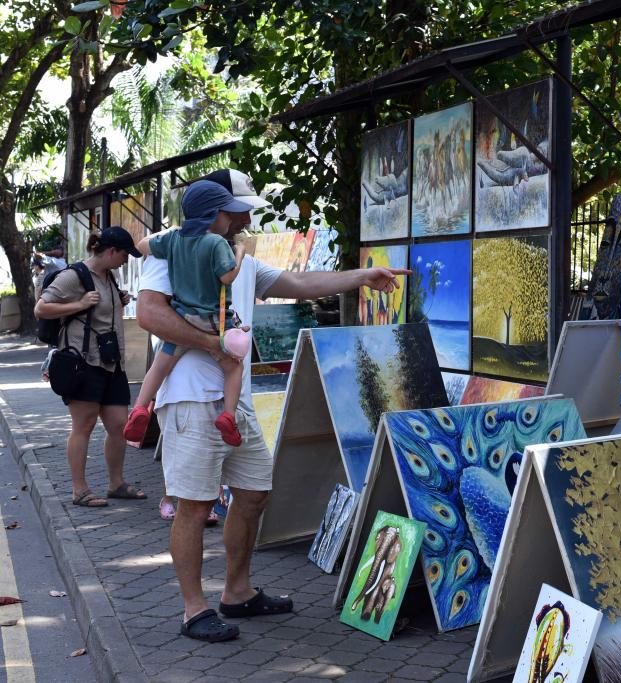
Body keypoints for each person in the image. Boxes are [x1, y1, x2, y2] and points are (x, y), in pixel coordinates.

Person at [136, 191, 406, 642]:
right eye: (240, 209)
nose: (248, 218)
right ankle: (193, 609)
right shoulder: (176, 248)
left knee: (255, 492)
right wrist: (216, 345)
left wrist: (362, 276)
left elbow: (300, 283)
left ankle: (237, 592)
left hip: (233, 400)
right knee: (195, 505)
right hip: (191, 398)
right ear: (220, 212)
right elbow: (149, 315)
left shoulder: (241, 258)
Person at [124, 182, 252, 447]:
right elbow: (227, 276)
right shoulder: (217, 242)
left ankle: (139, 408)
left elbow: (142, 245)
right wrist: (239, 254)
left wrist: (171, 231)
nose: (231, 219)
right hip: (214, 322)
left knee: (160, 366)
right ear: (214, 215)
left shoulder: (173, 239)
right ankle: (228, 417)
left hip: (183, 319)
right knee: (234, 366)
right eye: (227, 214)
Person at [34, 227, 146, 508]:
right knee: (83, 425)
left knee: (119, 425)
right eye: (124, 255)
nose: (125, 261)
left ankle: (116, 484)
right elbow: (41, 308)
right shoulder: (74, 276)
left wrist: (118, 300)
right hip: (83, 363)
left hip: (111, 363)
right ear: (111, 251)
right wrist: (79, 304)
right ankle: (79, 490)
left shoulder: (108, 275)